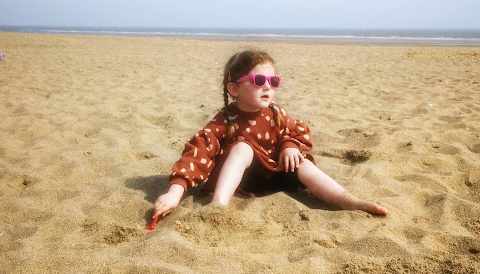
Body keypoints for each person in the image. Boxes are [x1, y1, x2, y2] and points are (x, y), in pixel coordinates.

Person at [152, 49, 388, 218]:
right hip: (244, 181)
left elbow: (298, 132)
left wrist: (289, 145)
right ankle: (218, 207)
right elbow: (198, 153)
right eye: (258, 80)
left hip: (277, 176)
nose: (268, 86)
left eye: (273, 80)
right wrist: (175, 192)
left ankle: (346, 200)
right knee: (243, 148)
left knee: (302, 162)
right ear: (234, 89)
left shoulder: (277, 113)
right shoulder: (226, 120)